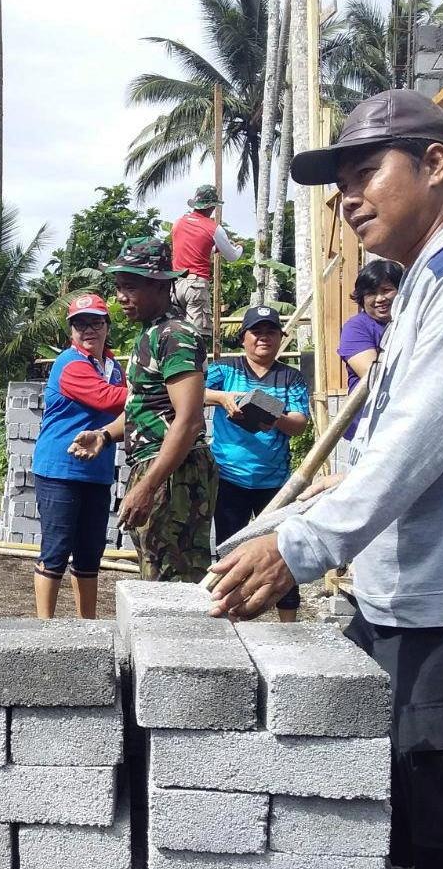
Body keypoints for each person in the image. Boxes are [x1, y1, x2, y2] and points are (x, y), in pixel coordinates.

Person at [211, 89, 443, 869]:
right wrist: (325, 493)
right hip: (409, 601)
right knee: (393, 824)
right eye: (340, 183)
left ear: (436, 163)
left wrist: (301, 544)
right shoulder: (425, 279)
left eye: (366, 173)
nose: (349, 200)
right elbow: (389, 434)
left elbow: (420, 442)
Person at [69, 237, 214, 583]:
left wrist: (149, 486)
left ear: (161, 285)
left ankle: (180, 640)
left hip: (174, 472)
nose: (121, 297)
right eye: (119, 287)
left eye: (130, 286)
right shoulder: (150, 334)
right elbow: (144, 408)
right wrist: (105, 434)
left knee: (173, 583)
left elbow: (189, 421)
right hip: (159, 466)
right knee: (155, 570)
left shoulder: (175, 336)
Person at [206, 305, 310, 622]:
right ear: (244, 338)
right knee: (229, 554)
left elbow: (299, 423)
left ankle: (288, 627)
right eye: (256, 331)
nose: (263, 337)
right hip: (230, 479)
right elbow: (193, 391)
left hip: (274, 483)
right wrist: (224, 398)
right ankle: (228, 620)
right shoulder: (225, 369)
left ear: (280, 338)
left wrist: (268, 411)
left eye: (270, 331)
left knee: (283, 553)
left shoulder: (290, 377)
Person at [31, 294, 127, 619]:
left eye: (96, 322)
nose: (88, 329)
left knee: (89, 555)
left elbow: (125, 418)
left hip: (97, 471)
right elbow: (109, 400)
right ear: (71, 330)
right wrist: (161, 392)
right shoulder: (70, 364)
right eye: (80, 323)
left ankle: (87, 628)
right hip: (60, 470)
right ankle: (45, 631)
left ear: (107, 326)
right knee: (56, 552)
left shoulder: (114, 368)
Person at [337, 259, 402, 440]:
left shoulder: (408, 322)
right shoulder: (356, 327)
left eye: (387, 290)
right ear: (361, 298)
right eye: (371, 293)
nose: (380, 299)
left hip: (403, 424)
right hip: (367, 430)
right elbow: (376, 377)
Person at [169, 184, 244, 333]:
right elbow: (232, 256)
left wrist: (214, 249)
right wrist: (240, 247)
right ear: (212, 207)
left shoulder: (178, 223)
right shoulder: (213, 228)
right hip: (196, 284)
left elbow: (193, 248)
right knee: (195, 334)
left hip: (176, 284)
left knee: (175, 332)